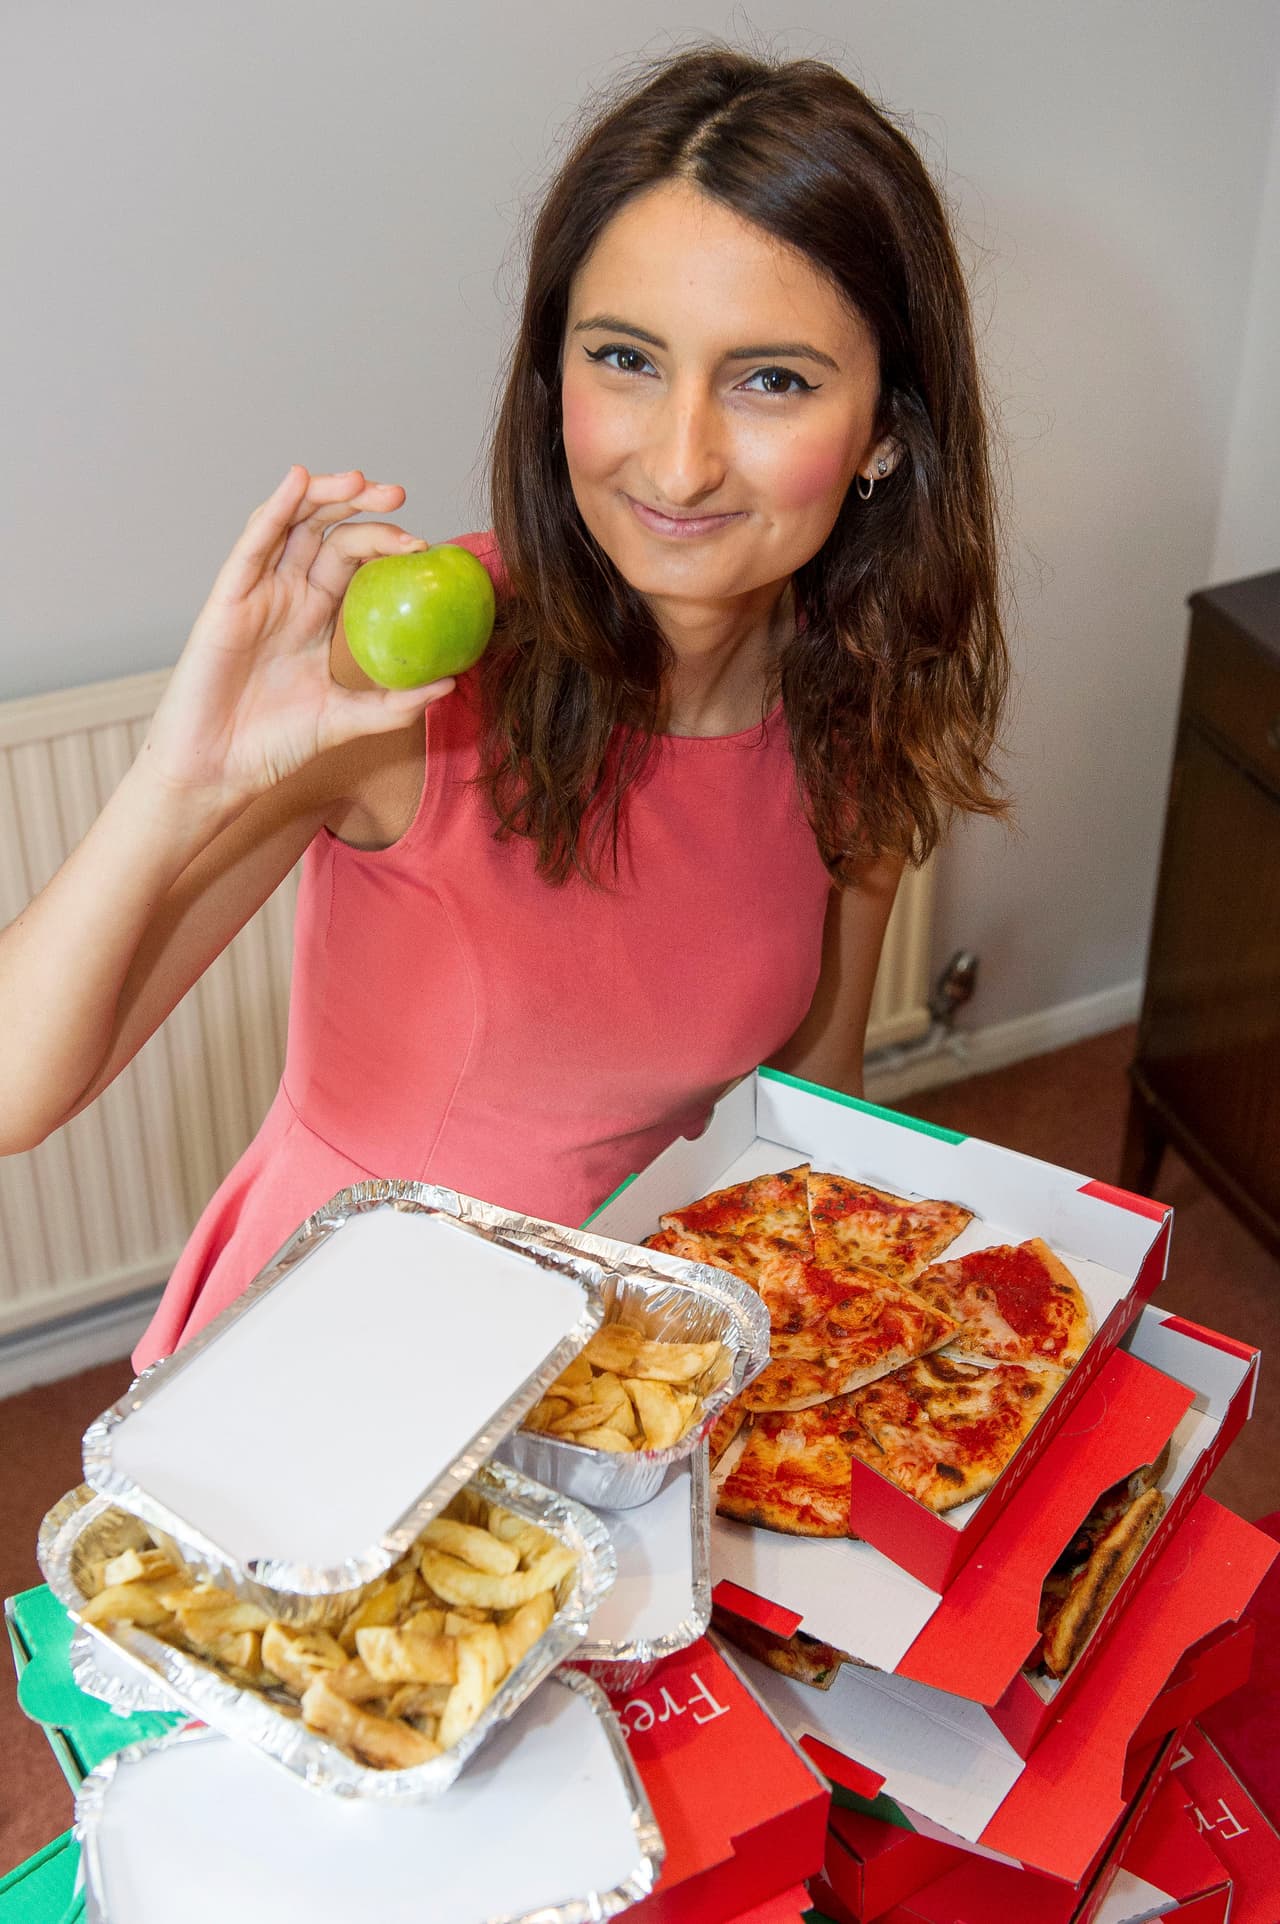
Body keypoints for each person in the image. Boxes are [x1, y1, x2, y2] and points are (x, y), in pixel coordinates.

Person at [0, 45, 1007, 1373]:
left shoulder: (853, 702)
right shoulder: (415, 677)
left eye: (772, 380)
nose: (680, 461)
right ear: (553, 376)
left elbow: (809, 1103)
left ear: (886, 431)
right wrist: (176, 783)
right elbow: (15, 1095)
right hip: (335, 1364)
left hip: (620, 1375)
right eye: (626, 358)